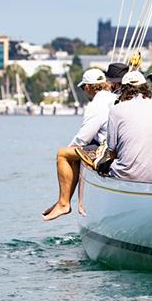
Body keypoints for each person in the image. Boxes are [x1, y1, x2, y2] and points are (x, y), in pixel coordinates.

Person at [43, 68, 117, 221]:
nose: (84, 91)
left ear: (89, 87)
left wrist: (69, 149)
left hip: (106, 149)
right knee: (75, 152)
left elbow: (82, 138)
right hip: (116, 146)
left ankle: (63, 203)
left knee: (63, 154)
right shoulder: (113, 97)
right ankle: (62, 202)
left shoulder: (96, 105)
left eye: (84, 87)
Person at [106, 71, 152, 182]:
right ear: (145, 87)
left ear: (123, 90)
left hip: (128, 176)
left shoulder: (116, 110)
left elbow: (112, 151)